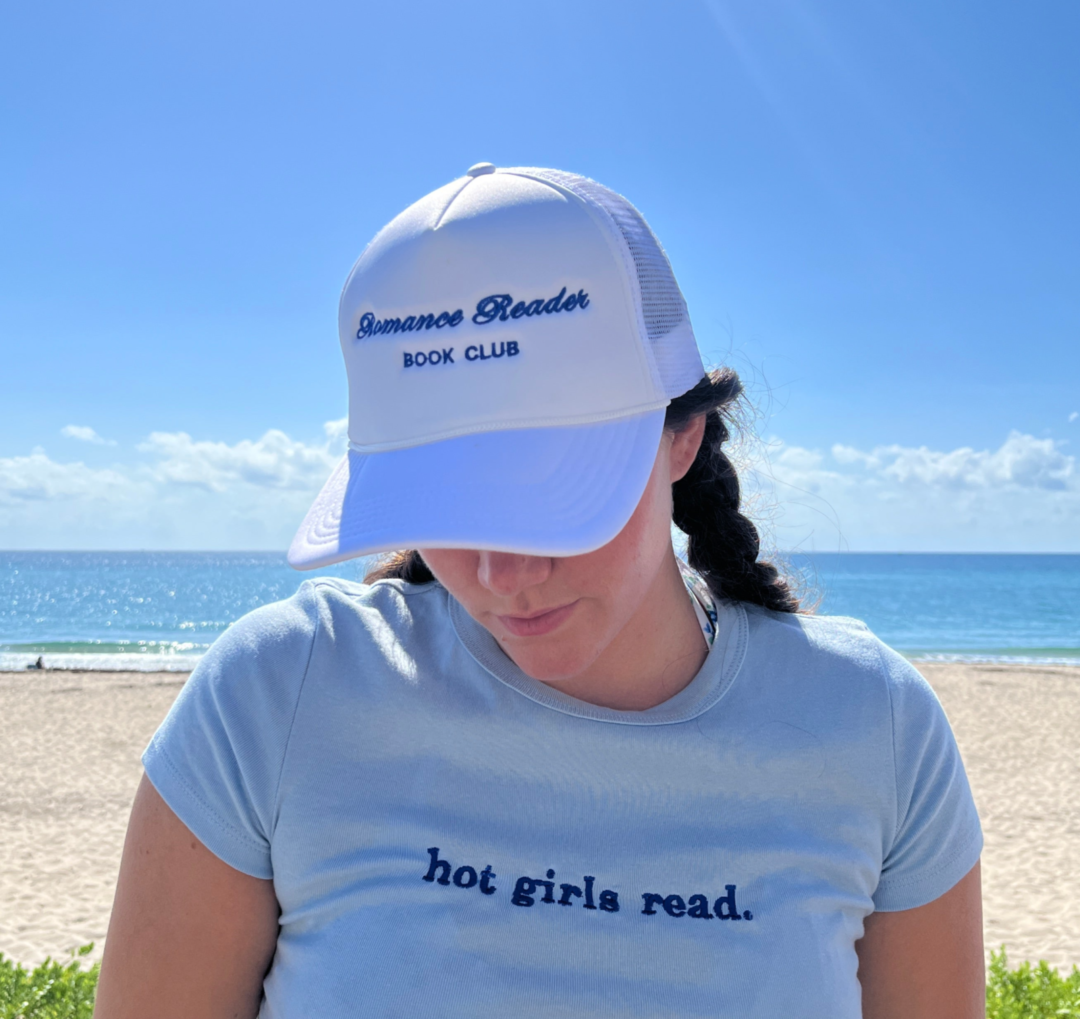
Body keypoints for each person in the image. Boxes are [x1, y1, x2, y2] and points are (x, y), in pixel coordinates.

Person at [93, 164, 984, 1019]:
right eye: (443, 503)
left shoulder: (875, 727)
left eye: (555, 500)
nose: (503, 575)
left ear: (682, 440)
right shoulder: (278, 694)